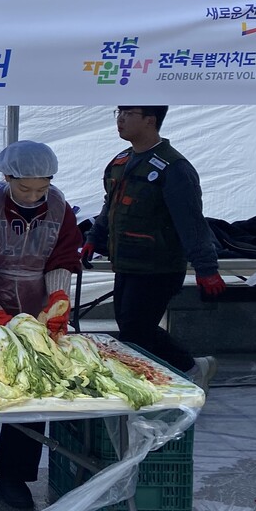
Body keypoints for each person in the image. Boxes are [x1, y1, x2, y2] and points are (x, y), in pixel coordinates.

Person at [0, 141, 81, 511]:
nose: (34, 195)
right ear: (7, 177)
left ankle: (14, 475)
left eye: (42, 187)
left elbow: (62, 258)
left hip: (34, 306)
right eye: (24, 188)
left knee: (29, 391)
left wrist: (57, 302)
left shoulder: (59, 209)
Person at [82, 106, 223, 390]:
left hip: (158, 266)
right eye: (118, 112)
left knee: (137, 329)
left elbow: (191, 222)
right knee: (131, 328)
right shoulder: (122, 161)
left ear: (150, 120)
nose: (120, 119)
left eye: (128, 113)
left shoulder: (174, 168)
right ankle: (158, 375)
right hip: (127, 263)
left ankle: (192, 368)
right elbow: (110, 206)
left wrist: (206, 268)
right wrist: (94, 238)